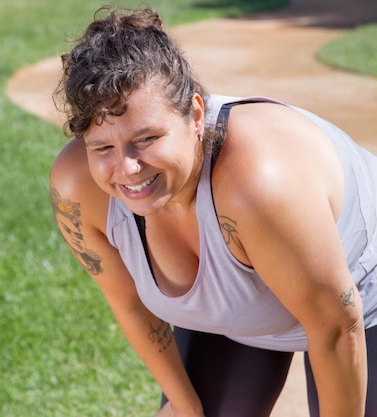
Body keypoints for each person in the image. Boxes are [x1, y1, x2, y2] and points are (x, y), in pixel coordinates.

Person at [49, 6, 377, 417]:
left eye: (147, 138)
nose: (128, 169)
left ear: (197, 115)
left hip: (362, 306)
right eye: (103, 148)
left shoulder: (258, 186)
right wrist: (185, 407)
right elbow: (128, 304)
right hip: (242, 316)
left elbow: (336, 327)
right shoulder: (79, 188)